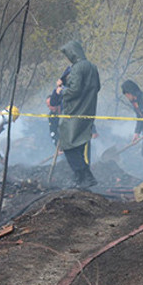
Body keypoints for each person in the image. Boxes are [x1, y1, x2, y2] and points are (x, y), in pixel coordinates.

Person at [55, 40, 100, 189]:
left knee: (67, 144)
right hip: (88, 111)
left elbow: (74, 90)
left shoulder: (77, 68)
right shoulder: (93, 67)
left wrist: (62, 91)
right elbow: (97, 87)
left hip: (75, 112)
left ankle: (86, 175)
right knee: (79, 144)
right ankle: (79, 178)